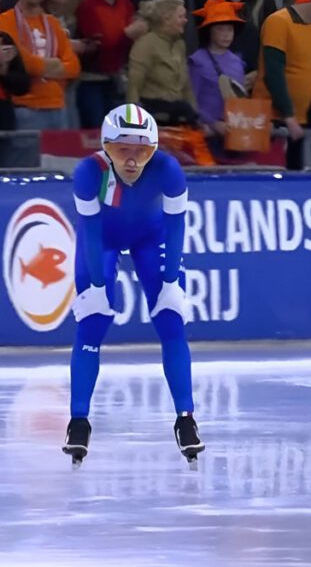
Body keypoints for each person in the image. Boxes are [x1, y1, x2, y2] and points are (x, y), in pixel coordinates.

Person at [63, 103, 204, 469]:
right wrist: (95, 287)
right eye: (121, 150)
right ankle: (79, 420)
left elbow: (175, 229)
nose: (130, 160)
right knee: (92, 322)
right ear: (105, 149)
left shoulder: (168, 170)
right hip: (103, 240)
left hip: (151, 237)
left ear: (153, 151)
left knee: (171, 320)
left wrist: (171, 281)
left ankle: (185, 418)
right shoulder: (88, 173)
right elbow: (91, 233)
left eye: (141, 151)